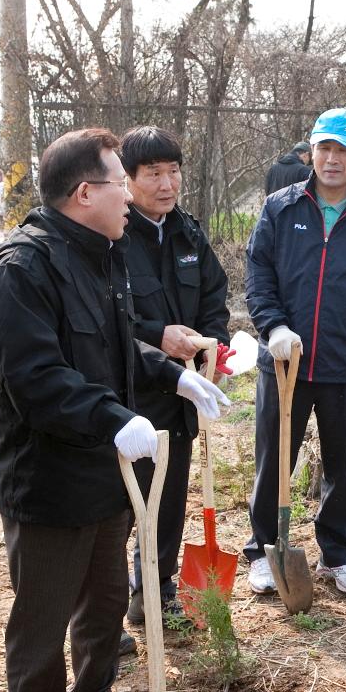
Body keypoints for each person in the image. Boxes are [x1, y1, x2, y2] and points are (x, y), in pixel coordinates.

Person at [0, 128, 229, 692]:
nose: (132, 194)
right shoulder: (23, 269)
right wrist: (113, 416)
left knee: (105, 597)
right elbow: (35, 378)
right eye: (120, 181)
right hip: (50, 477)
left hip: (107, 474)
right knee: (44, 610)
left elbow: (118, 349)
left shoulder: (106, 255)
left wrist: (170, 375)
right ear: (84, 192)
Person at [244, 108, 346, 597]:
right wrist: (272, 327)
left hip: (345, 364)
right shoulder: (280, 208)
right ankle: (264, 549)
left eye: (343, 150)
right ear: (311, 151)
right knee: (274, 458)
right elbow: (259, 276)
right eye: (324, 148)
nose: (332, 159)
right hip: (284, 363)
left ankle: (338, 554)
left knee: (342, 464)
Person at [119, 125, 231, 631]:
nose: (166, 184)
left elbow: (214, 295)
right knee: (124, 504)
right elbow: (108, 320)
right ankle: (104, 602)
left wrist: (211, 344)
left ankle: (156, 590)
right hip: (130, 392)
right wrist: (157, 335)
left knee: (169, 498)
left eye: (173, 173)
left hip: (183, 391)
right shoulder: (114, 238)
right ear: (127, 180)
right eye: (153, 174)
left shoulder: (188, 232)